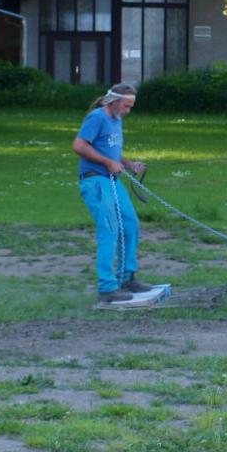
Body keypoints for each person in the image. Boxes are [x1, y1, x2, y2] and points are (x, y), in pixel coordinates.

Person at [72, 84, 153, 303]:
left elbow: (111, 150)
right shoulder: (97, 117)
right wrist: (108, 163)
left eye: (130, 106)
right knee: (109, 228)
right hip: (95, 181)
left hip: (112, 181)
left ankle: (127, 278)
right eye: (126, 106)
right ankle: (107, 287)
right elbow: (79, 146)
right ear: (114, 101)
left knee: (130, 225)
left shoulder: (116, 119)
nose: (128, 110)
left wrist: (128, 164)